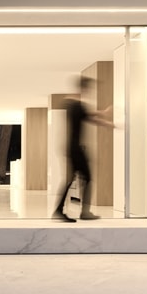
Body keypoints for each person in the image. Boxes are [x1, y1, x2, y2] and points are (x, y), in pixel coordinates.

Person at [53, 74, 116, 222]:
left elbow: (89, 116)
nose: (89, 91)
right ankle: (81, 212)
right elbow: (92, 117)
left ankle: (64, 210)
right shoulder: (76, 105)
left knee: (74, 179)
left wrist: (106, 119)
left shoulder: (70, 104)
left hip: (72, 147)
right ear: (83, 88)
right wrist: (108, 120)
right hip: (75, 148)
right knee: (86, 177)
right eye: (89, 88)